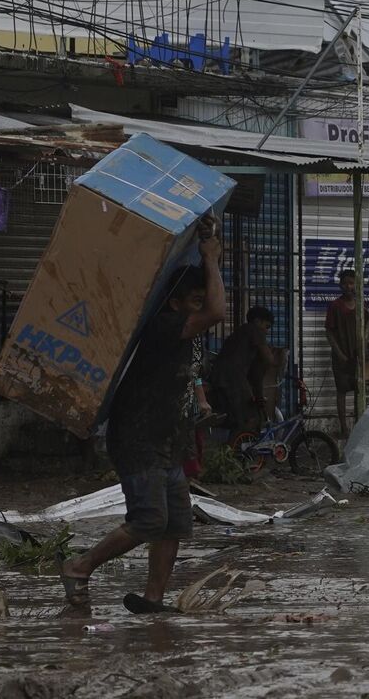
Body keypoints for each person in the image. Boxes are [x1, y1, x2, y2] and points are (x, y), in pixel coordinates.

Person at [61, 216, 228, 615]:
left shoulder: (185, 333)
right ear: (174, 304)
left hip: (167, 442)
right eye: (194, 303)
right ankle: (79, 566)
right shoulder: (165, 326)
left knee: (174, 525)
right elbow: (219, 311)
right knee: (150, 519)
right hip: (139, 440)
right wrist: (211, 260)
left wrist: (209, 246)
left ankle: (154, 598)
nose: (201, 310)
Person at [211, 307, 276, 442]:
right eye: (266, 326)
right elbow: (269, 359)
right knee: (248, 415)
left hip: (220, 376)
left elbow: (254, 376)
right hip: (232, 377)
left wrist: (258, 395)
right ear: (257, 321)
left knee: (236, 415)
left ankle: (233, 448)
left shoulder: (241, 335)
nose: (266, 331)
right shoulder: (253, 330)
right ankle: (240, 451)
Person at [324, 270, 363, 434]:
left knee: (359, 391)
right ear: (340, 285)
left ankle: (359, 428)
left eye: (351, 282)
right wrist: (339, 354)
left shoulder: (360, 305)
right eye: (346, 283)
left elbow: (367, 327)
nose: (349, 286)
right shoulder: (335, 306)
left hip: (357, 357)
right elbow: (329, 332)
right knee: (342, 390)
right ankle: (344, 428)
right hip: (341, 357)